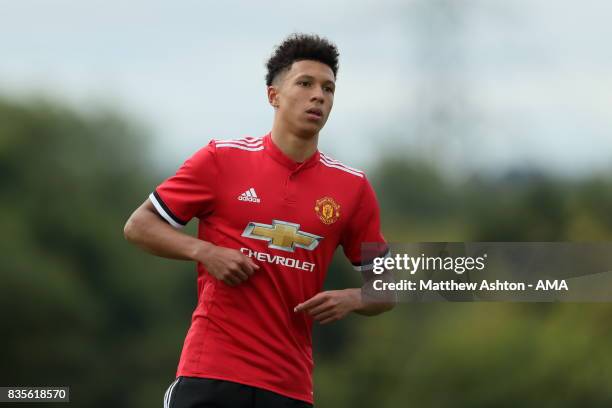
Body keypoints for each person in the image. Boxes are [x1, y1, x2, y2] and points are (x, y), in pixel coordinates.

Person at [124, 33, 394, 408]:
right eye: (305, 83)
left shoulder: (352, 187)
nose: (319, 95)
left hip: (288, 385)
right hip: (210, 372)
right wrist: (206, 252)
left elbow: (386, 287)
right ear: (274, 96)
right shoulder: (221, 160)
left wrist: (352, 297)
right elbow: (139, 225)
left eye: (328, 88)